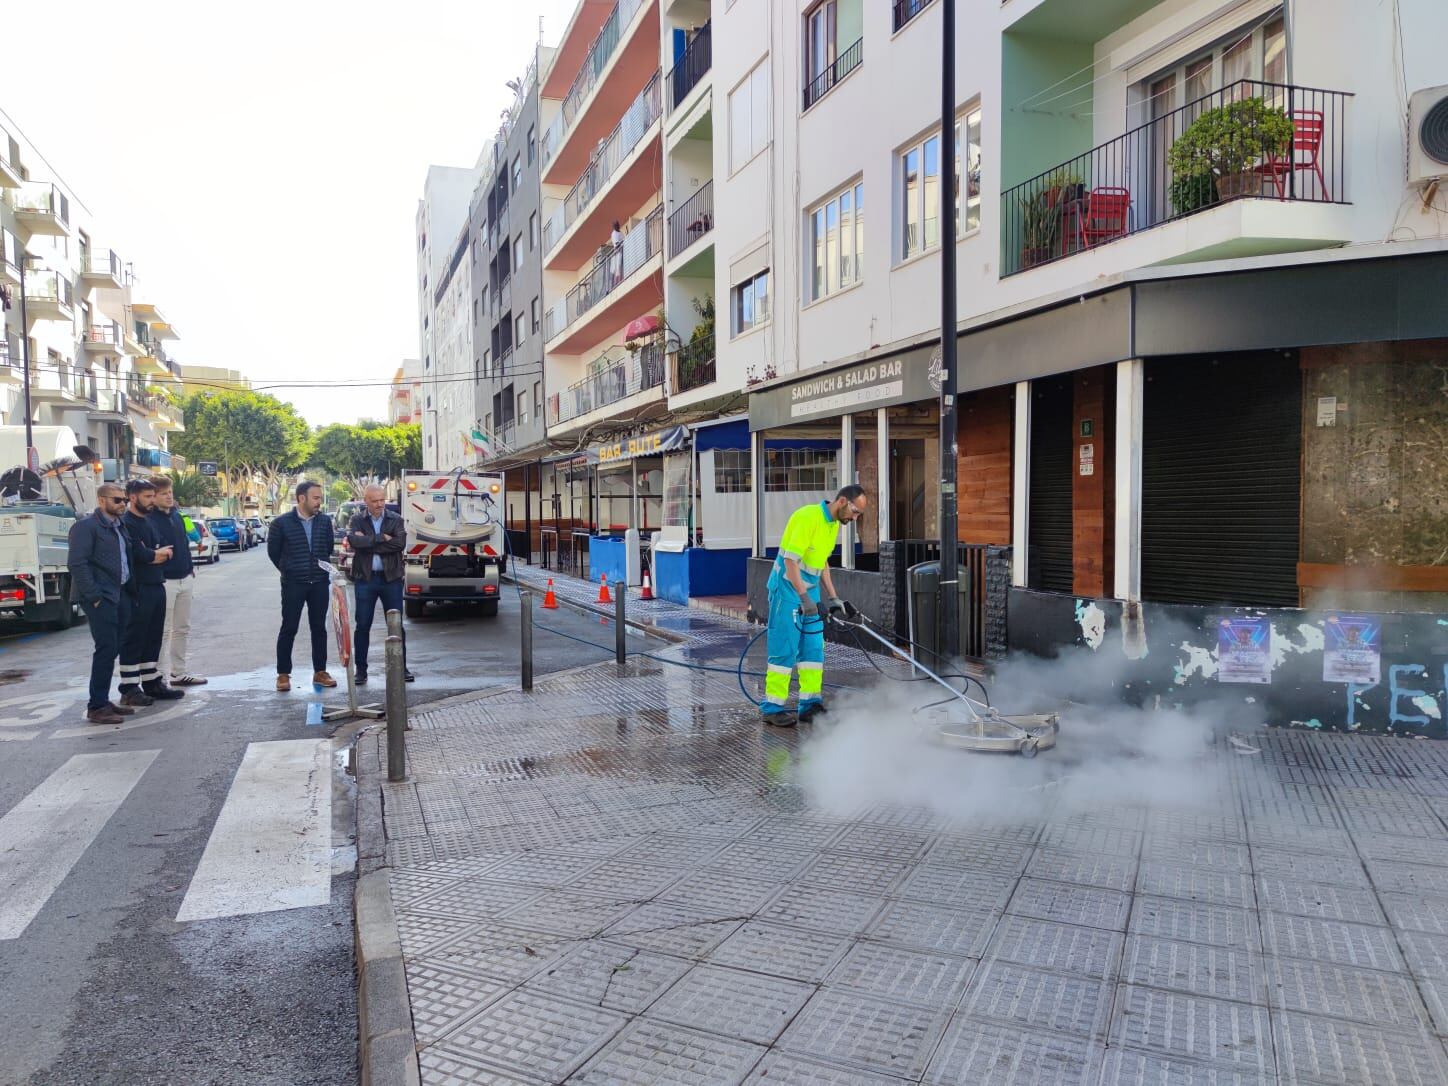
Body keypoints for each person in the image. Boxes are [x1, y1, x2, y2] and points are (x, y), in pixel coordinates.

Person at [761, 485, 867, 726]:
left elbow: (821, 562)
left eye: (859, 514)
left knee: (813, 649)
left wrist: (833, 597)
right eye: (855, 511)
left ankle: (809, 704)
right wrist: (804, 598)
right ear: (842, 501)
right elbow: (790, 560)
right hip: (787, 589)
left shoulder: (832, 525)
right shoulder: (807, 517)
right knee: (785, 647)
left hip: (810, 590)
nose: (855, 517)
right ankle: (772, 707)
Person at [68, 484, 139, 725]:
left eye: (125, 501)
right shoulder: (86, 527)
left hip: (121, 595)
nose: (122, 504)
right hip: (101, 598)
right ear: (101, 500)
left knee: (113, 649)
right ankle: (96, 705)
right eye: (117, 500)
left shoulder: (121, 527)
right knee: (106, 649)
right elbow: (78, 564)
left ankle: (104, 700)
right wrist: (95, 596)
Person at [119, 479, 184, 705]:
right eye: (146, 497)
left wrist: (155, 554)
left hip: (157, 584)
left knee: (153, 637)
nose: (151, 501)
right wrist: (154, 554)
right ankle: (129, 687)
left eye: (151, 496)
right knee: (134, 638)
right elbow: (141, 554)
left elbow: (164, 550)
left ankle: (151, 682)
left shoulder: (149, 522)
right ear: (133, 497)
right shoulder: (127, 523)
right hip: (139, 588)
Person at [268, 479, 336, 692]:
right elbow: (274, 553)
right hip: (293, 584)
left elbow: (328, 547)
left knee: (319, 628)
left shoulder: (324, 522)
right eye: (316, 498)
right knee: (289, 627)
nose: (319, 503)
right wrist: (289, 569)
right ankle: (283, 674)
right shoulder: (281, 523)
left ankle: (320, 671)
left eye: (320, 498)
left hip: (319, 582)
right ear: (301, 498)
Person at [347, 484, 414, 685]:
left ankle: (401, 668)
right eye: (375, 501)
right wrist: (381, 539)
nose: (379, 504)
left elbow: (399, 544)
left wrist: (369, 542)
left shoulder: (395, 519)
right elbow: (354, 543)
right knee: (363, 625)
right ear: (365, 500)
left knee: (395, 626)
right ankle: (361, 670)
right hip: (365, 578)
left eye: (382, 500)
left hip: (390, 578)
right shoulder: (356, 519)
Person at [149, 476, 206, 687]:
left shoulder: (176, 515)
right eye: (163, 493)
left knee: (182, 628)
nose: (169, 496)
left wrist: (189, 569)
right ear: (153, 497)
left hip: (185, 577)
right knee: (162, 630)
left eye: (170, 492)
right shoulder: (149, 519)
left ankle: (178, 673)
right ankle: (157, 676)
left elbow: (183, 543)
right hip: (165, 581)